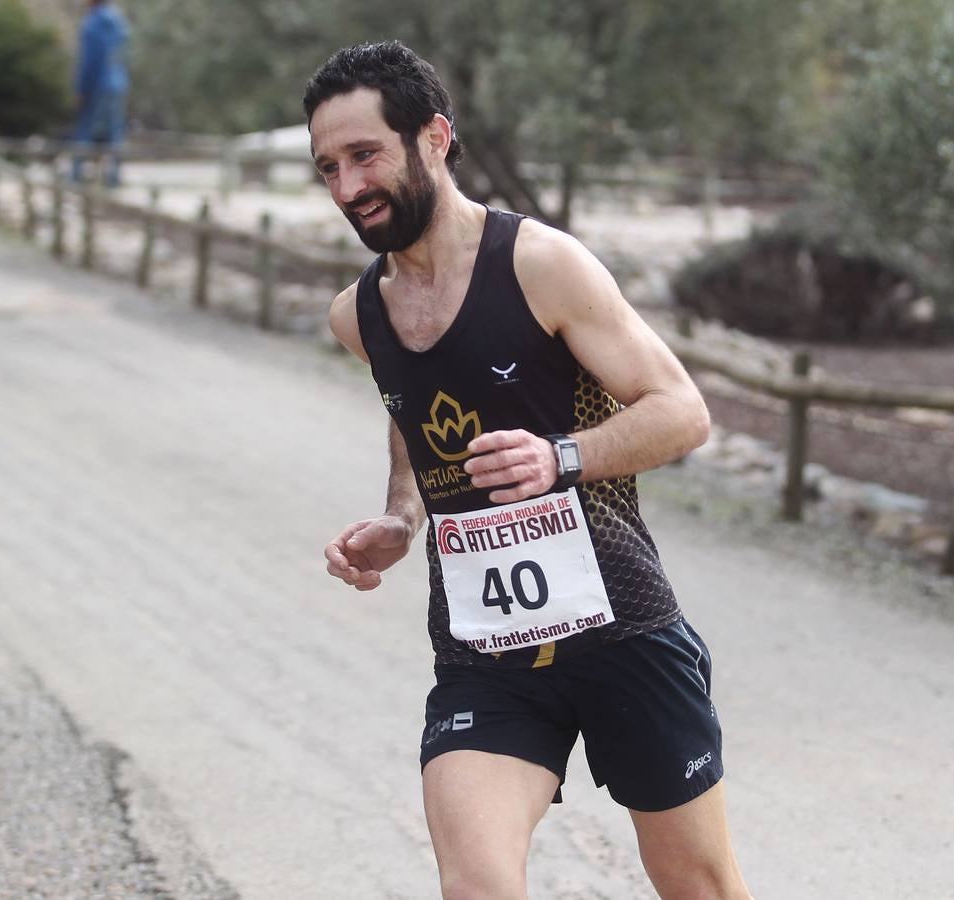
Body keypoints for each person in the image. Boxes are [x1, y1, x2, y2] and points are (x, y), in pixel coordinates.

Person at [309, 42, 752, 900]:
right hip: (484, 655)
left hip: (622, 628)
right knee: (475, 885)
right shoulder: (357, 315)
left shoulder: (539, 263)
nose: (346, 188)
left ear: (433, 137)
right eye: (327, 166)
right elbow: (413, 420)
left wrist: (560, 458)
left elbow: (680, 411)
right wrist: (401, 520)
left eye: (364, 155)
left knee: (699, 887)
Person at [71, 0, 130, 186]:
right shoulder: (118, 22)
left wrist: (81, 89)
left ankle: (76, 174)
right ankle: (114, 176)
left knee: (86, 130)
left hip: (98, 85)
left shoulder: (92, 24)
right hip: (118, 83)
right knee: (114, 133)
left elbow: (89, 62)